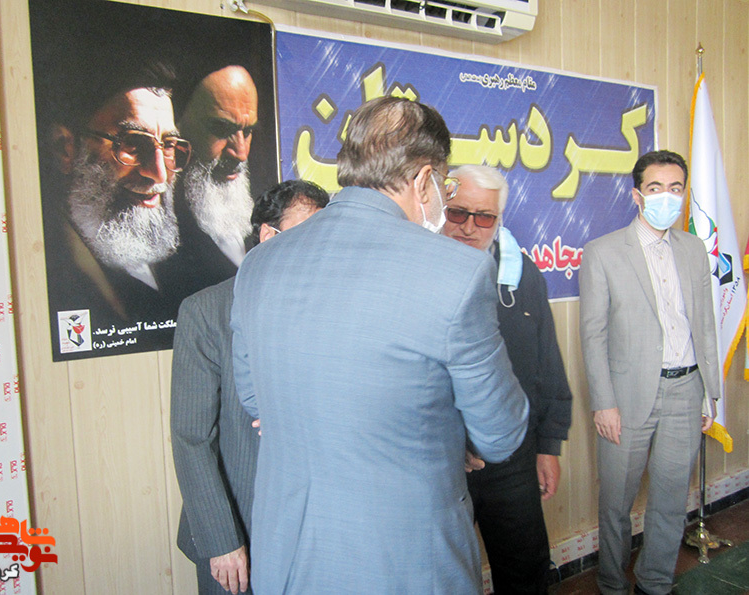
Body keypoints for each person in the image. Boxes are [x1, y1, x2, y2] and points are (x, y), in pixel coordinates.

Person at [230, 96, 529, 594]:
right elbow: (500, 432)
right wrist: (443, 435)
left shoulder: (260, 263)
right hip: (405, 563)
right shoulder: (457, 271)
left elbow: (253, 397)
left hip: (289, 557)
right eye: (445, 185)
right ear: (423, 179)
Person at [171, 180, 329, 595]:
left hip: (318, 532)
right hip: (240, 530)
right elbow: (191, 438)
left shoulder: (334, 308)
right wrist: (222, 540)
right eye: (309, 235)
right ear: (267, 236)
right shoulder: (207, 312)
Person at [579, 150, 720, 595]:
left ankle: (654, 583)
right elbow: (593, 335)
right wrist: (604, 403)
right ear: (637, 195)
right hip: (626, 398)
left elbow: (705, 325)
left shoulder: (694, 249)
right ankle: (612, 584)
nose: (666, 197)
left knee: (670, 501)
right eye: (655, 188)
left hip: (686, 390)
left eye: (675, 189)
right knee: (616, 503)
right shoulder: (602, 252)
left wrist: (709, 393)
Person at [443, 165, 572, 593]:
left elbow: (545, 366)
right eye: (458, 212)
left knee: (525, 571)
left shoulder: (522, 276)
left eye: (484, 217)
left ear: (498, 220)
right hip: (441, 462)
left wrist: (548, 445)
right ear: (439, 208)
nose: (469, 227)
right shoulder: (413, 279)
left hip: (512, 459)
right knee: (442, 577)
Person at [42, 58, 190, 354]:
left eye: (168, 145)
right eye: (133, 144)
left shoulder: (186, 256)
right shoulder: (57, 268)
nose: (159, 174)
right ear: (65, 149)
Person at [171, 66, 259, 293]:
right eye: (221, 129)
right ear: (177, 128)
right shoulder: (160, 233)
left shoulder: (261, 221)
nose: (240, 153)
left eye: (247, 132)